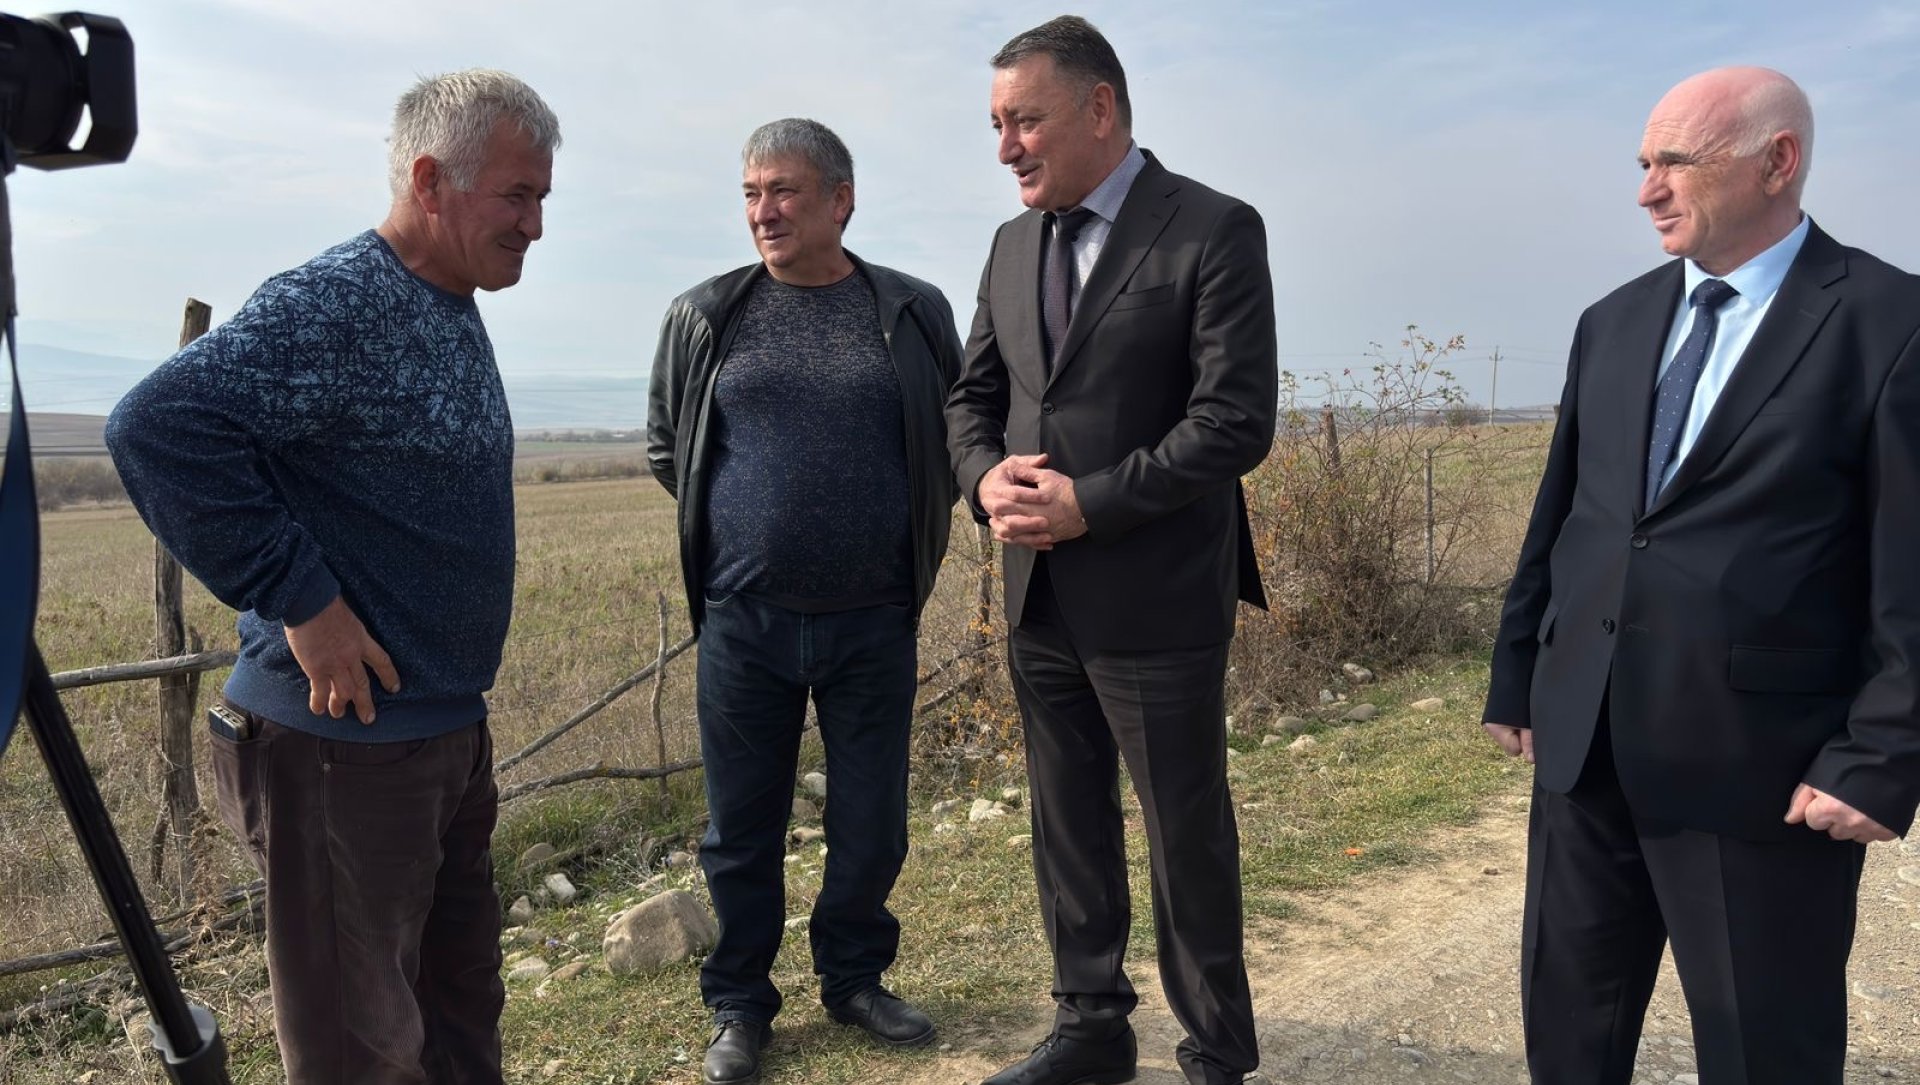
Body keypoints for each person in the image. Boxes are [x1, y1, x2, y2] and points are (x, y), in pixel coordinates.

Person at [105, 70, 558, 1085]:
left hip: (436, 733)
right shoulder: (340, 301)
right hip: (339, 750)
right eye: (517, 195)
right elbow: (156, 426)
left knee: (458, 1022)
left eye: (541, 198)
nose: (535, 224)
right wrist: (302, 600)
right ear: (431, 181)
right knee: (361, 1053)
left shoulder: (445, 298)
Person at [1483, 66, 1920, 1085]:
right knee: (1569, 1038)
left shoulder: (1890, 322)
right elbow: (1568, 516)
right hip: (1586, 750)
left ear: (1779, 162)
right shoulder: (1613, 320)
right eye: (1645, 162)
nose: (1648, 190)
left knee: (1765, 1048)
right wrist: (1517, 670)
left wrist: (1882, 753)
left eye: (1677, 162)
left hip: (1764, 770)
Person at [945, 16, 1278, 1085]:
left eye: (1025, 121)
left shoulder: (1213, 228)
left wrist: (1090, 503)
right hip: (1037, 592)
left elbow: (1234, 421)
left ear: (1099, 108)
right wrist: (982, 478)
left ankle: (1216, 1048)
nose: (1008, 148)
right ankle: (1091, 1025)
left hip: (1159, 596)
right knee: (1067, 822)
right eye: (997, 126)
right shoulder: (1011, 246)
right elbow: (970, 400)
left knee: (1185, 831)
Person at [646, 117, 963, 1085]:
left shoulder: (911, 310)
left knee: (873, 820)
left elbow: (957, 436)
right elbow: (669, 446)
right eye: (750, 193)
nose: (764, 211)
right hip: (744, 622)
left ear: (841, 200)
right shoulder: (706, 313)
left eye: (782, 190)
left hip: (876, 615)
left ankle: (855, 978)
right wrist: (749, 532)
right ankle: (740, 1003)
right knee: (740, 830)